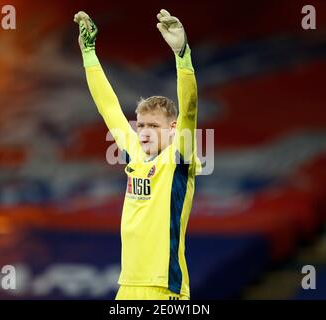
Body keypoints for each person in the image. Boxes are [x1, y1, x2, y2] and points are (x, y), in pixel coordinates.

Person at [74, 9, 199, 300]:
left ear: (172, 128)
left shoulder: (179, 158)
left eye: (152, 126)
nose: (143, 132)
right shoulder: (134, 152)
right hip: (127, 286)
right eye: (140, 125)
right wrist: (89, 53)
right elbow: (108, 106)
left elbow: (190, 108)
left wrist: (182, 55)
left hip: (165, 288)